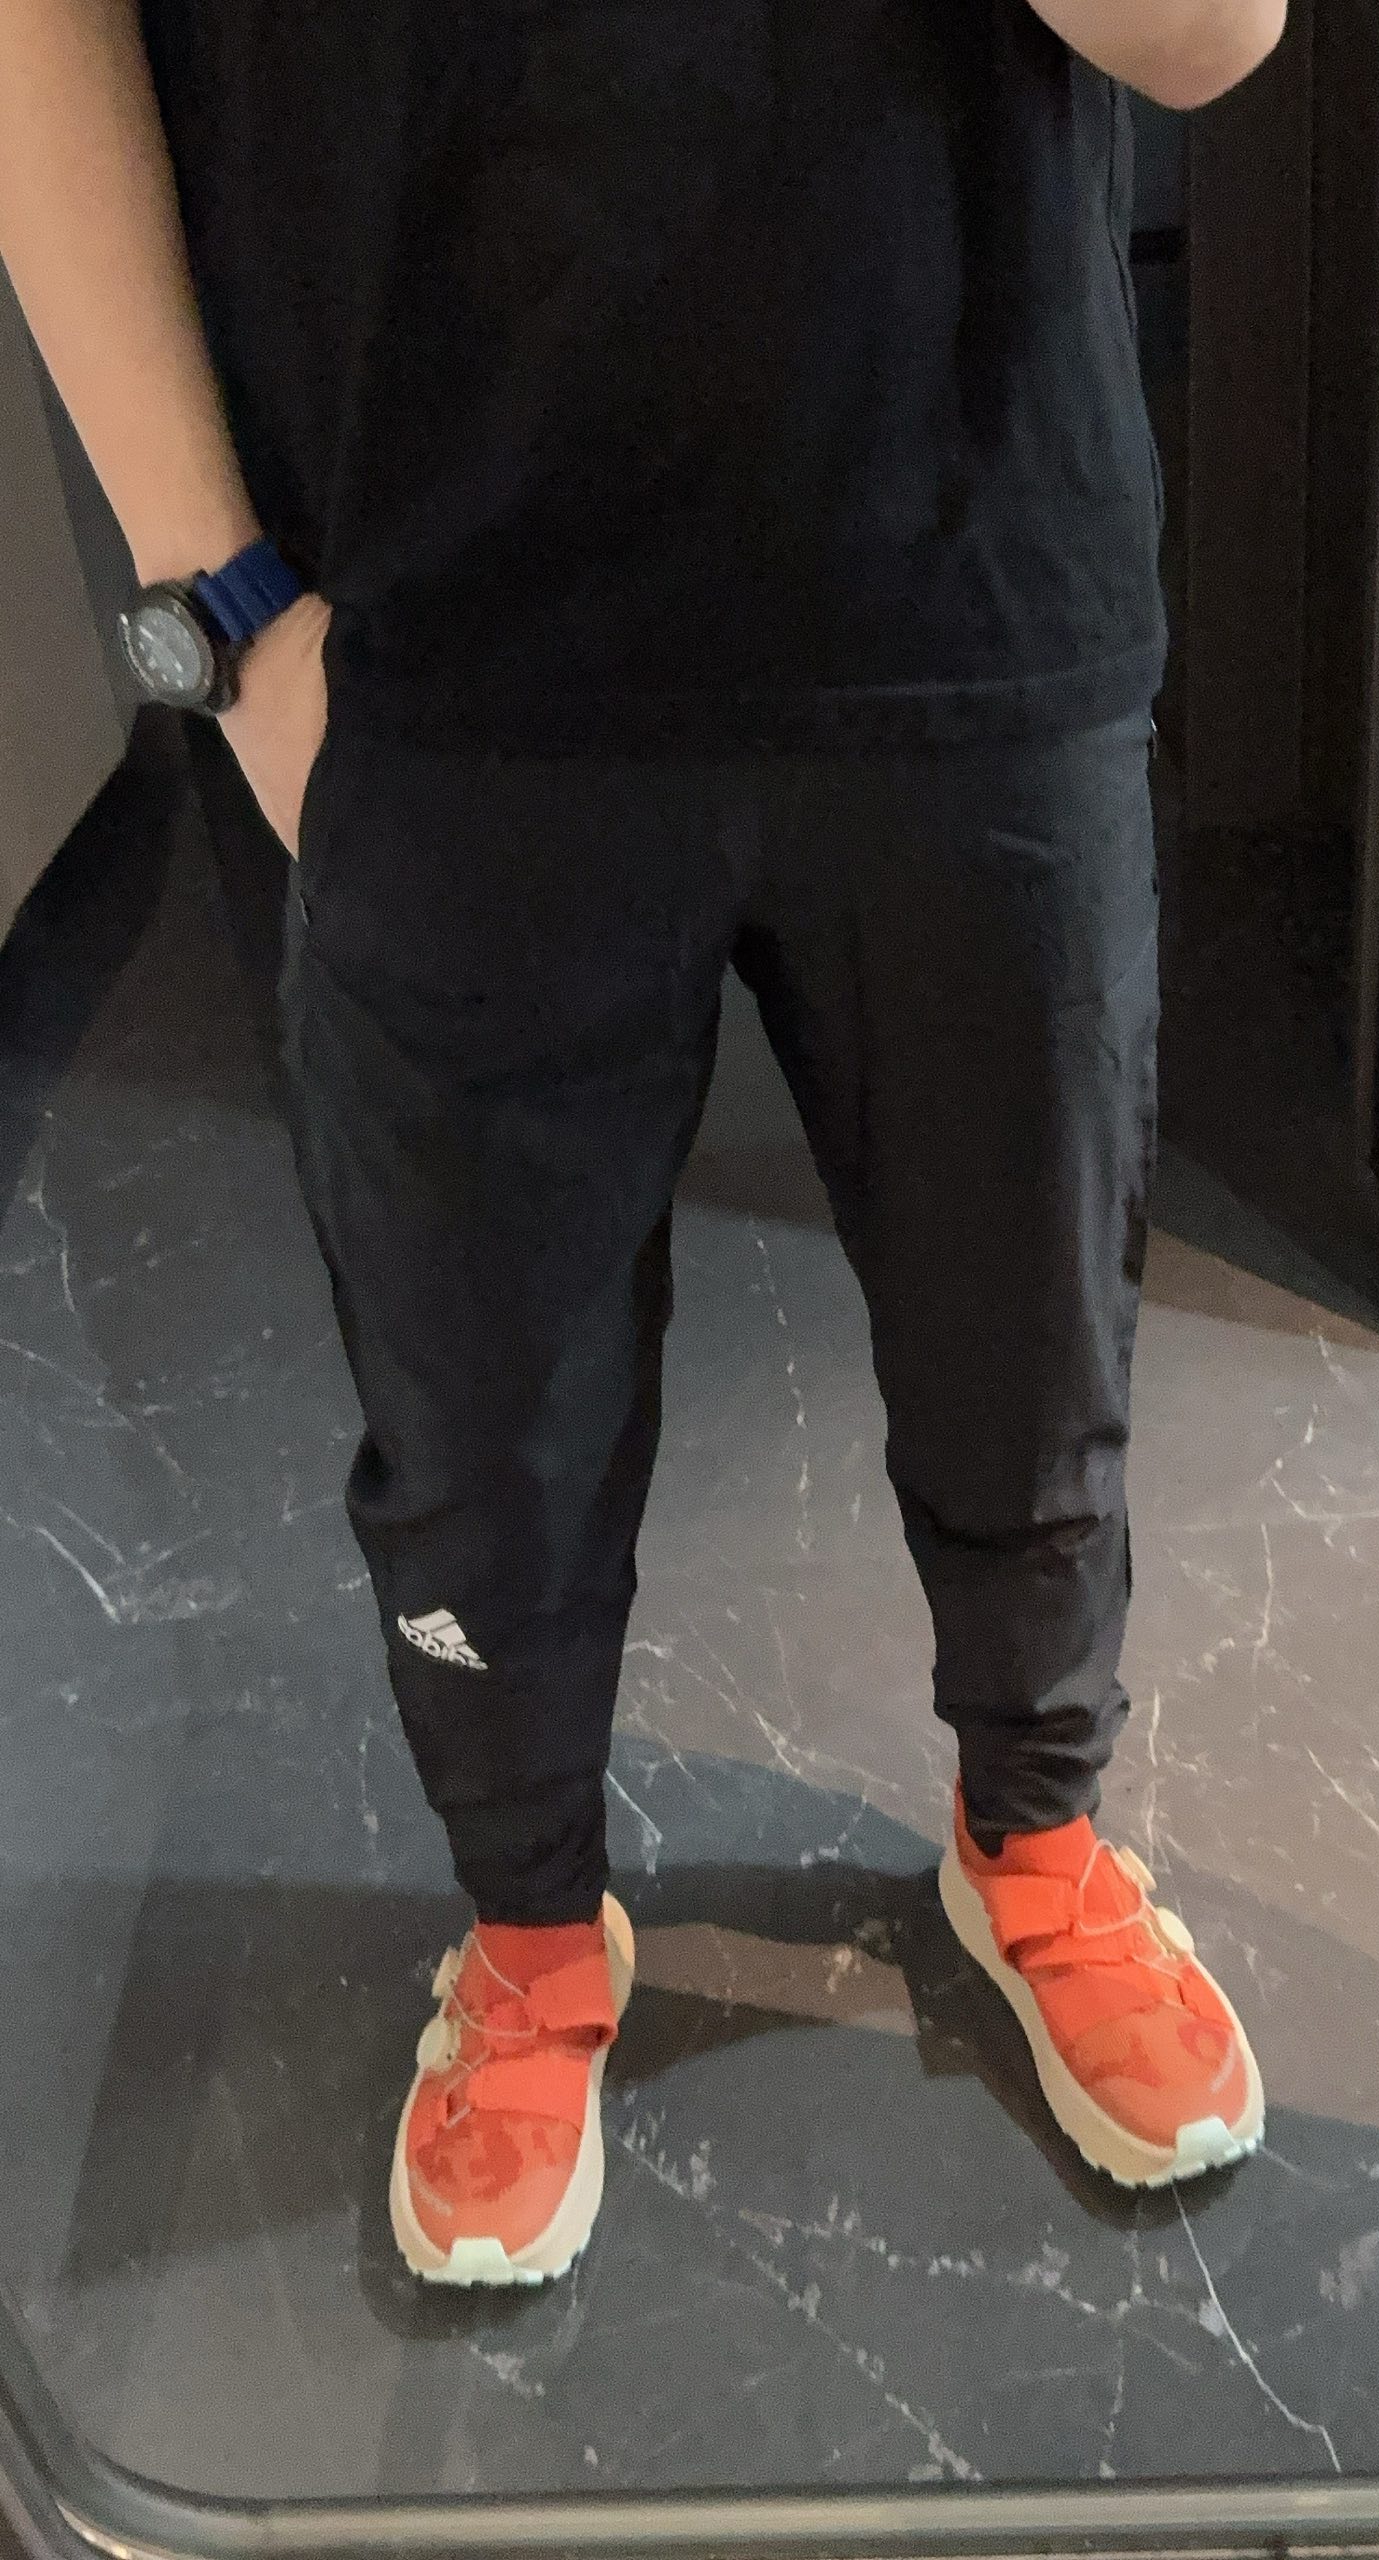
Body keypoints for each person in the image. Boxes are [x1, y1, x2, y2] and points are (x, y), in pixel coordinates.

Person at [1, 0, 1281, 2290]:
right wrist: (216, 597)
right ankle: (526, 1928)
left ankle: (1037, 1830)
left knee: (1029, 1342)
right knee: (479, 1406)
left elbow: (1212, 37)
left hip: (969, 572)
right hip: (422, 622)